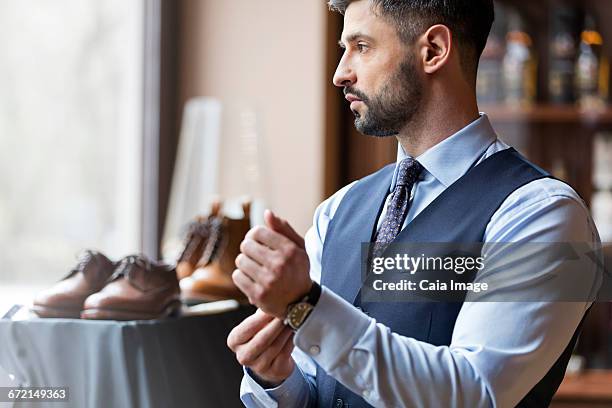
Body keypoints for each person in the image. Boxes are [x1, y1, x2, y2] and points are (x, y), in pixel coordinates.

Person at [227, 0, 602, 407]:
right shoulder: (337, 212)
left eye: (362, 46)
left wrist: (306, 308)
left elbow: (476, 393)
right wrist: (276, 378)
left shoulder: (543, 214)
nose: (340, 73)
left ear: (433, 50)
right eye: (343, 48)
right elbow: (322, 394)